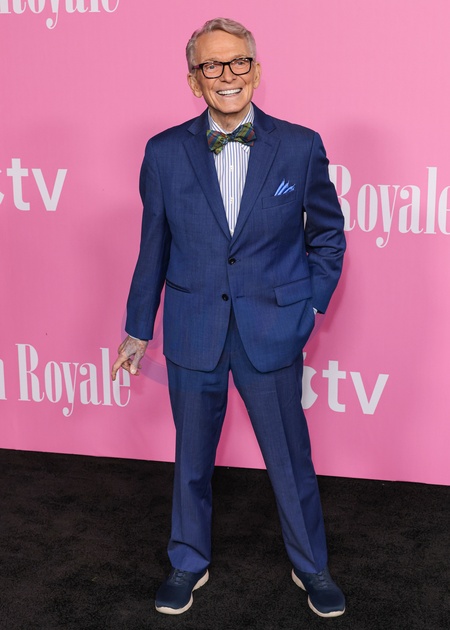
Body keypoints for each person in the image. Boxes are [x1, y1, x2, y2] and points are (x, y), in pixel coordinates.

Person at [111, 17, 346, 618]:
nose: (226, 75)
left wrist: (309, 304)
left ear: (256, 71)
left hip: (273, 329)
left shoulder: (300, 145)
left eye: (238, 61)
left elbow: (327, 235)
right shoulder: (164, 152)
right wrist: (138, 327)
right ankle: (187, 561)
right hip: (194, 328)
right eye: (211, 65)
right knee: (191, 459)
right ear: (194, 80)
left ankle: (311, 566)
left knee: (290, 459)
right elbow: (153, 247)